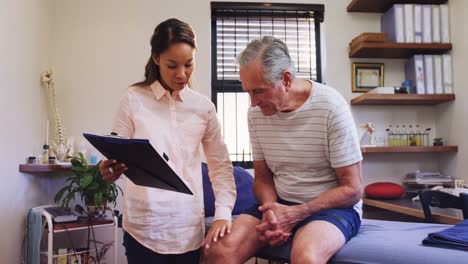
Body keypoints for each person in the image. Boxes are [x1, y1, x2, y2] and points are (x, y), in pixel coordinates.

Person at [203, 36, 363, 264]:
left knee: (305, 257)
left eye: (258, 91)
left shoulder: (331, 107)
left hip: (330, 208)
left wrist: (299, 212)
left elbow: (352, 188)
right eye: (247, 91)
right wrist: (271, 211)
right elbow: (263, 177)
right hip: (279, 202)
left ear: (286, 80)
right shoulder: (256, 114)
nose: (252, 102)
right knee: (217, 251)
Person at [98, 18, 236, 264]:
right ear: (156, 58)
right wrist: (110, 168)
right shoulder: (133, 98)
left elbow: (220, 165)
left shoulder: (203, 107)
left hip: (187, 229)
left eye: (189, 64)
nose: (182, 75)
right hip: (142, 227)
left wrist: (223, 214)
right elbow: (116, 146)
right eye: (172, 65)